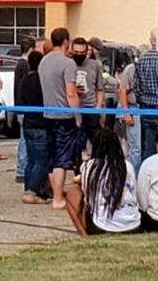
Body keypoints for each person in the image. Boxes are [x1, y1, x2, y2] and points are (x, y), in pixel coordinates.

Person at [65, 128, 141, 236]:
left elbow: (88, 198)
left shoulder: (90, 166)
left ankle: (84, 235)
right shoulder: (128, 166)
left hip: (102, 226)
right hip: (132, 224)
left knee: (72, 193)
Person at [38, 27, 80, 209]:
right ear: (66, 42)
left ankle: (55, 192)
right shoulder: (68, 64)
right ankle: (57, 198)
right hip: (64, 115)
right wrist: (78, 115)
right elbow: (70, 93)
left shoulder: (43, 62)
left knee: (51, 156)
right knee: (62, 159)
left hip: (47, 113)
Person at [134, 30, 158, 162]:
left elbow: (137, 86)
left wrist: (142, 101)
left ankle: (147, 174)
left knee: (148, 147)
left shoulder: (142, 59)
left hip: (146, 108)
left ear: (151, 41)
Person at [20, 51, 50, 204]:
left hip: (27, 123)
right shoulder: (40, 81)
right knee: (41, 160)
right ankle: (32, 191)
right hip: (39, 123)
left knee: (31, 160)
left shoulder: (25, 79)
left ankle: (28, 188)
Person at [70, 36, 105, 165]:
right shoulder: (69, 64)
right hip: (74, 108)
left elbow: (100, 88)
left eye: (81, 53)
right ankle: (77, 167)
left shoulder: (95, 65)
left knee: (96, 140)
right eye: (76, 53)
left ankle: (95, 166)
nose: (79, 55)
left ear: (87, 52)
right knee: (76, 141)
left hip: (90, 107)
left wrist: (98, 107)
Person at [13, 36, 35, 184]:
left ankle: (23, 167)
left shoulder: (19, 65)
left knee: (25, 139)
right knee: (24, 140)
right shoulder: (24, 65)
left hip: (20, 106)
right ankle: (21, 169)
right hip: (23, 107)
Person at [118, 60, 141, 173]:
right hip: (133, 109)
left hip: (149, 109)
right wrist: (126, 113)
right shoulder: (131, 69)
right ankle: (133, 175)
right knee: (136, 147)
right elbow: (122, 91)